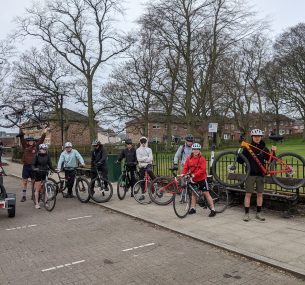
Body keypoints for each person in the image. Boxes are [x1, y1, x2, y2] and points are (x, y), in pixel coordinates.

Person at [239, 129, 276, 222]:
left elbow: (271, 160)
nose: (257, 138)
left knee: (260, 194)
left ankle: (258, 213)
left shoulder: (264, 148)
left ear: (261, 137)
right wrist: (240, 155)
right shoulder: (247, 148)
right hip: (250, 174)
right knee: (248, 194)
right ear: (252, 137)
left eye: (259, 136)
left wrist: (273, 152)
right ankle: (246, 214)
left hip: (260, 174)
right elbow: (240, 161)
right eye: (255, 136)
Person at [181, 143, 216, 217]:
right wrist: (182, 174)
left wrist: (194, 174)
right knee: (194, 194)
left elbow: (202, 170)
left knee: (206, 193)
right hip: (193, 179)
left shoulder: (202, 159)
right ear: (192, 150)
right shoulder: (189, 158)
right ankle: (193, 208)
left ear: (199, 150)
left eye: (197, 149)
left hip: (201, 179)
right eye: (194, 149)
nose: (195, 151)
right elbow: (185, 167)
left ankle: (213, 209)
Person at [18, 128, 48, 202]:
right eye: (29, 141)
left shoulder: (36, 146)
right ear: (27, 142)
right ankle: (24, 196)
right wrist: (20, 128)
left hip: (33, 167)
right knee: (24, 182)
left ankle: (33, 195)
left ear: (34, 141)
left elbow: (41, 140)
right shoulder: (25, 146)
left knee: (33, 182)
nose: (31, 142)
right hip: (26, 166)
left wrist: (44, 133)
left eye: (32, 141)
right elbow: (21, 138)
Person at [32, 144, 54, 209]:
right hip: (38, 173)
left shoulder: (47, 156)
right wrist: (35, 169)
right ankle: (37, 203)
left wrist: (53, 170)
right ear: (40, 149)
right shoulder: (36, 155)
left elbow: (50, 164)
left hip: (45, 173)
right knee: (37, 189)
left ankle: (46, 202)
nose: (44, 150)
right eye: (43, 149)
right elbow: (33, 165)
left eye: (45, 149)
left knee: (46, 188)